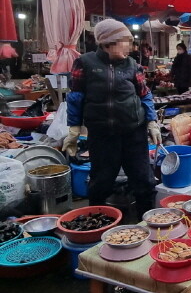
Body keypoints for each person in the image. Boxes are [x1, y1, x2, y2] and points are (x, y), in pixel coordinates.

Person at [63, 19, 161, 220]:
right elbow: (76, 96)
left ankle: (148, 222)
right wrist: (74, 129)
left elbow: (144, 95)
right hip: (102, 135)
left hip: (134, 132)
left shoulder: (132, 65)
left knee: (144, 181)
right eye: (125, 41)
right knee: (101, 182)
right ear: (109, 42)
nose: (130, 46)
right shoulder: (85, 63)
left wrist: (152, 121)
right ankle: (96, 224)